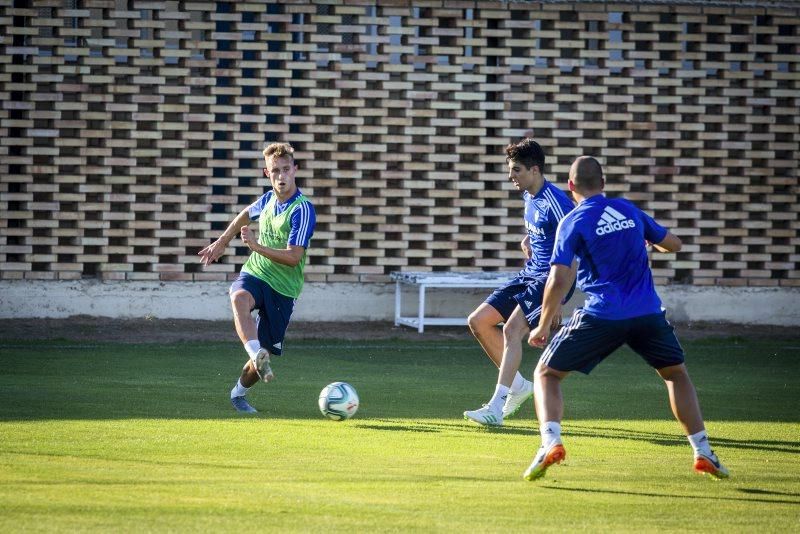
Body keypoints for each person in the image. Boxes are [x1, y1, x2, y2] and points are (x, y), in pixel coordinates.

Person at [522, 155, 729, 480]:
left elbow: (557, 279)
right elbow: (674, 244)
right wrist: (648, 240)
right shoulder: (629, 211)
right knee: (675, 374)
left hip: (603, 313)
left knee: (546, 373)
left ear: (571, 186)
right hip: (647, 312)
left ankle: (550, 442)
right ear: (604, 184)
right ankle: (703, 450)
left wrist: (543, 324)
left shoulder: (573, 221)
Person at [198, 142, 316, 414]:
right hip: (257, 272)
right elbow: (244, 215)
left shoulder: (303, 209)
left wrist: (256, 246)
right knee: (239, 297)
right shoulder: (267, 200)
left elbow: (293, 257)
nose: (281, 177)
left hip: (284, 289)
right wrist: (222, 241)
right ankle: (255, 354)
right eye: (275, 171)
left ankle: (238, 394)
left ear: (295, 170)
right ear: (267, 173)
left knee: (263, 355)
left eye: (286, 170)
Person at [464, 138, 575, 426]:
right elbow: (546, 236)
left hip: (550, 278)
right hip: (530, 273)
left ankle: (496, 408)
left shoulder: (558, 203)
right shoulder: (529, 196)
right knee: (479, 321)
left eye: (516, 170)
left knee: (512, 330)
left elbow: (575, 249)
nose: (510, 176)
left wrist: (557, 297)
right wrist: (529, 239)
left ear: (535, 170)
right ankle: (519, 387)